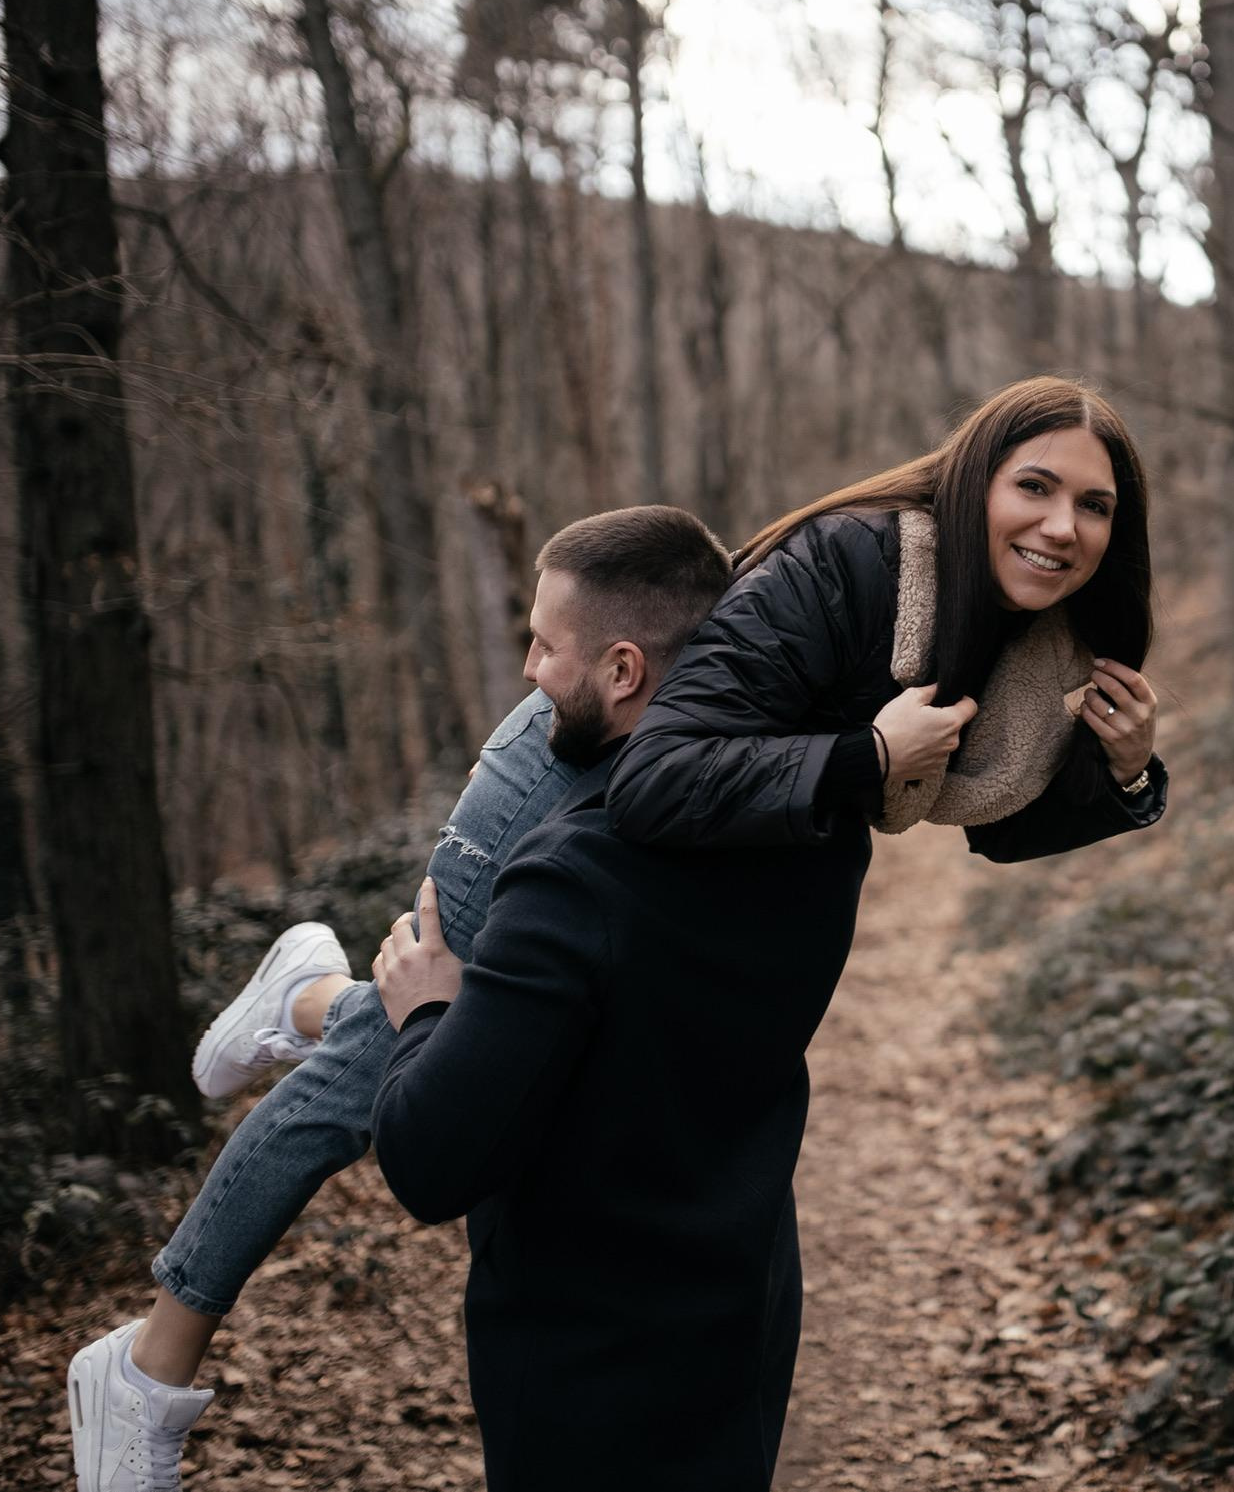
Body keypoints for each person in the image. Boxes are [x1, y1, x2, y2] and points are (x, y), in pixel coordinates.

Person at [368, 374, 1167, 1488]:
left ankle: (328, 1004)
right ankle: (305, 1018)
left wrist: (1123, 779)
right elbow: (663, 780)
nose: (1063, 525)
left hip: (640, 1317)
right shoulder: (836, 601)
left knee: (412, 990)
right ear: (976, 479)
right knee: (379, 1006)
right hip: (720, 1282)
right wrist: (864, 763)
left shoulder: (806, 837)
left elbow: (989, 802)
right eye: (1036, 485)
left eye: (1094, 506)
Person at [65, 506, 734, 1492]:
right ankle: (146, 1366)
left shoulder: (724, 665)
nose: (524, 668)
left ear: (627, 667)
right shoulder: (567, 711)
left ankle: (303, 994)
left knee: (421, 1027)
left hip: (604, 750)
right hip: (548, 771)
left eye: (542, 644)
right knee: (356, 1087)